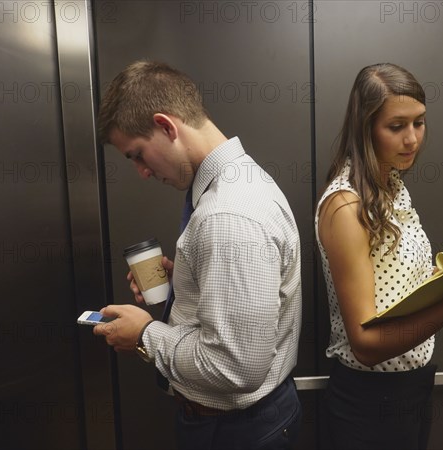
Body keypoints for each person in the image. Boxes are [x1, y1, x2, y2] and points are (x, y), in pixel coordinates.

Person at [314, 63, 443, 450]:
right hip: (371, 399)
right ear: (365, 128)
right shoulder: (346, 206)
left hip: (412, 387)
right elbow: (364, 343)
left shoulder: (391, 187)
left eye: (419, 122)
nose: (412, 139)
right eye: (396, 127)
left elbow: (397, 288)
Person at [93, 60, 303, 449]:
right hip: (250, 423)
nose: (141, 171)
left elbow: (235, 368)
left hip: (237, 432)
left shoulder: (227, 215)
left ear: (167, 126)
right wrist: (191, 283)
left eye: (137, 154)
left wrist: (144, 334)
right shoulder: (243, 176)